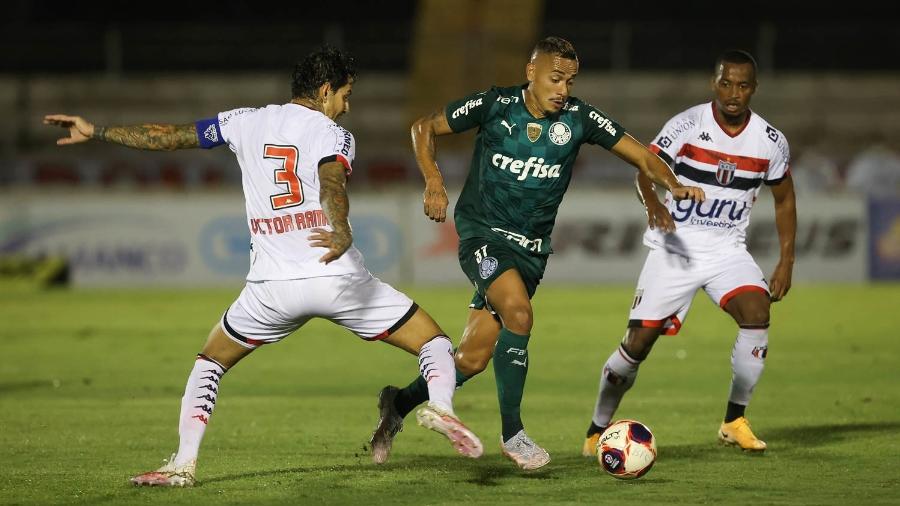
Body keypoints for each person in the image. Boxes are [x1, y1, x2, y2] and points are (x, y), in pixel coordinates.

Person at [43, 45, 483, 487]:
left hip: (271, 289)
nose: (346, 106)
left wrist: (96, 130)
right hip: (336, 276)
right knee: (435, 344)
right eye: (345, 95)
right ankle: (441, 407)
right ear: (325, 90)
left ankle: (182, 464)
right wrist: (341, 227)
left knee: (209, 363)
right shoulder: (333, 134)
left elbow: (168, 135)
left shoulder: (243, 121)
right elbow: (332, 181)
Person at [368, 36, 705, 470]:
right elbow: (423, 127)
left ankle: (398, 402)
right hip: (482, 236)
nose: (563, 88)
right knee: (520, 314)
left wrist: (672, 184)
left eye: (570, 80)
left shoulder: (579, 118)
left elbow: (642, 155)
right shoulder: (495, 105)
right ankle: (514, 434)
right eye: (555, 78)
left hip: (531, 252)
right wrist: (433, 180)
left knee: (471, 358)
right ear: (531, 72)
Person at [582, 49, 796, 456]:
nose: (733, 93)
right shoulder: (686, 125)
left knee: (757, 313)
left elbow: (785, 199)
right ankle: (597, 428)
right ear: (714, 82)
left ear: (754, 88)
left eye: (743, 85)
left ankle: (734, 420)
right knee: (637, 344)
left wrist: (786, 260)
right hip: (676, 246)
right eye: (726, 83)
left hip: (727, 250)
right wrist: (654, 205)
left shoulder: (770, 142)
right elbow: (645, 168)